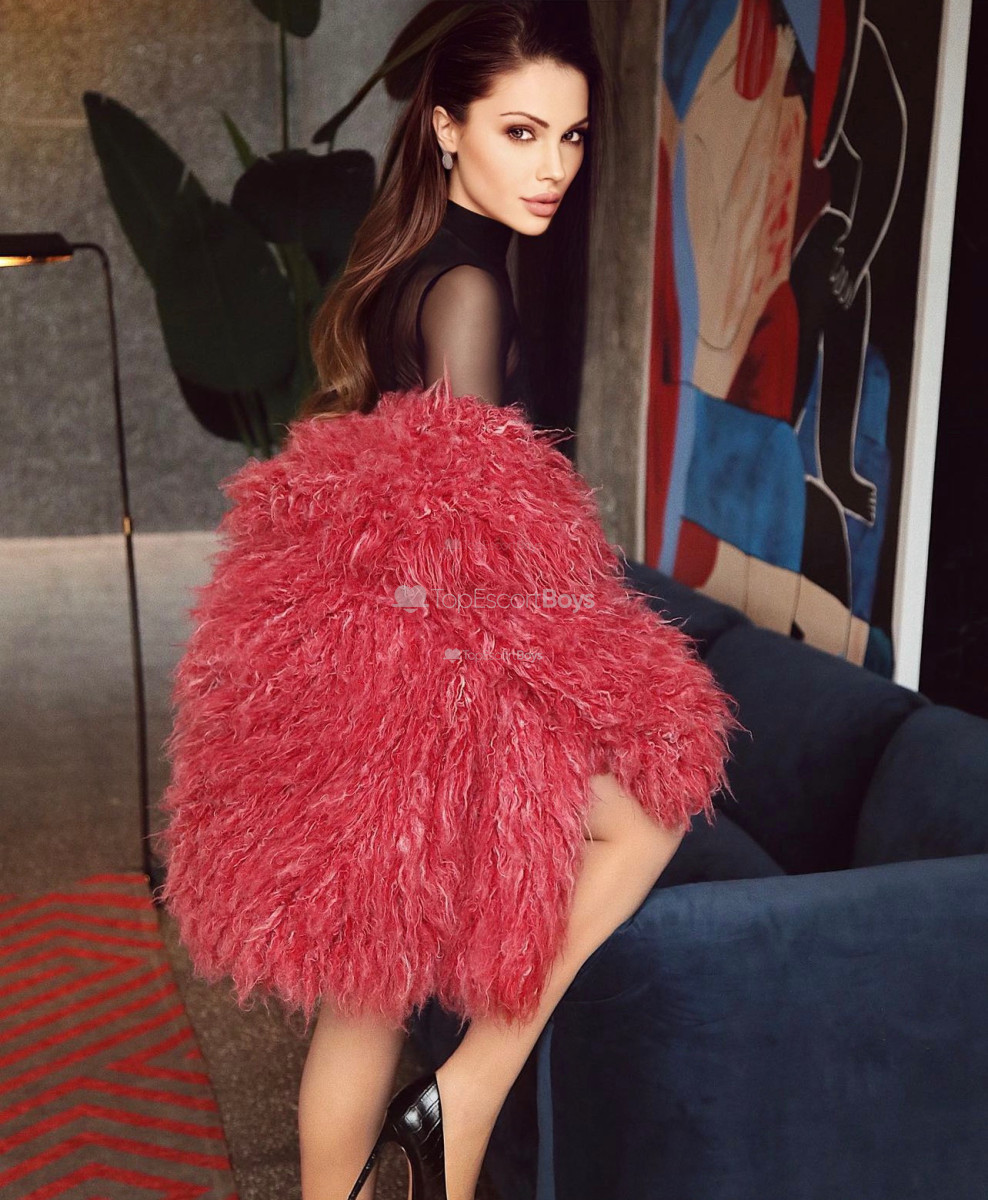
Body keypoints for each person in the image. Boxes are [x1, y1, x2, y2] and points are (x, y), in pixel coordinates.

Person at [157, 6, 739, 1200]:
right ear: (444, 128)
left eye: (571, 137)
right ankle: (469, 1093)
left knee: (366, 992)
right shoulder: (470, 287)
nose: (552, 167)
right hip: (429, 678)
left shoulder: (405, 270)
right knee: (647, 813)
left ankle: (412, 1140)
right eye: (520, 131)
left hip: (366, 664)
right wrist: (590, 663)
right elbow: (474, 536)